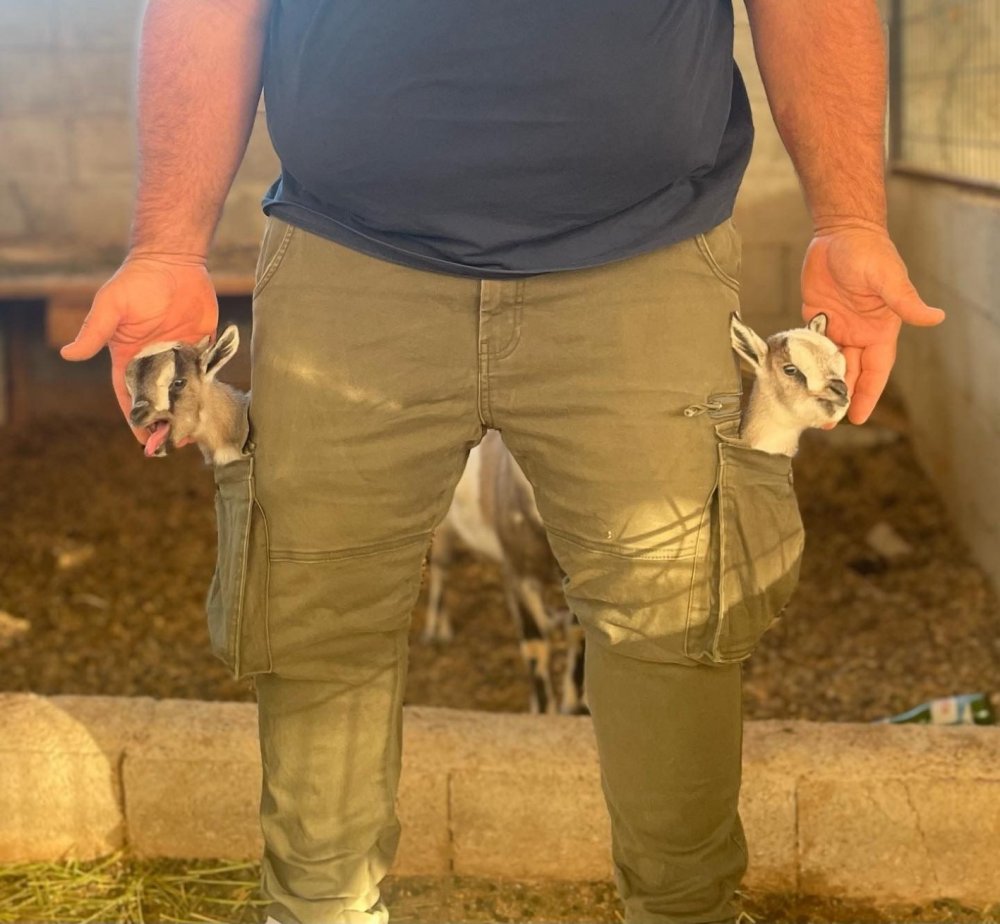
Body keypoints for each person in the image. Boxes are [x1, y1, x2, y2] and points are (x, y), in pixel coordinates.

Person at [61, 2, 944, 922]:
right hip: (350, 262)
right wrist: (167, 244)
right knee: (313, 614)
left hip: (642, 258)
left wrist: (850, 217)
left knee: (678, 620)